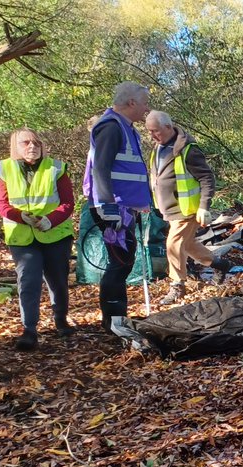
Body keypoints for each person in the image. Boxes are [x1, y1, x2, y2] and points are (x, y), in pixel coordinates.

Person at [0, 128, 76, 350]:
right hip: (21, 236)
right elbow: (0, 203)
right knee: (28, 279)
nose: (32, 146)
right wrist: (20, 217)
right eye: (25, 143)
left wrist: (50, 220)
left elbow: (67, 203)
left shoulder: (56, 168)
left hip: (55, 234)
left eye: (36, 142)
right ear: (15, 146)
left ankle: (61, 320)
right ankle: (29, 330)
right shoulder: (4, 168)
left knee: (57, 280)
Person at [85, 81, 153, 332]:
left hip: (125, 208)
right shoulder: (112, 127)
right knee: (120, 262)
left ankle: (117, 318)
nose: (146, 109)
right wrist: (110, 208)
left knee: (124, 261)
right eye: (144, 103)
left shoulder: (125, 127)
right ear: (131, 103)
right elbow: (100, 168)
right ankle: (113, 321)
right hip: (113, 209)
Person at [144, 111, 230, 305]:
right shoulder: (158, 148)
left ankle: (177, 285)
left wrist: (203, 207)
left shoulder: (187, 149)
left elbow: (207, 178)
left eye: (155, 131)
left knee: (173, 244)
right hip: (169, 208)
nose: (152, 135)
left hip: (187, 209)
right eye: (149, 131)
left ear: (168, 126)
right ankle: (219, 264)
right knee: (187, 244)